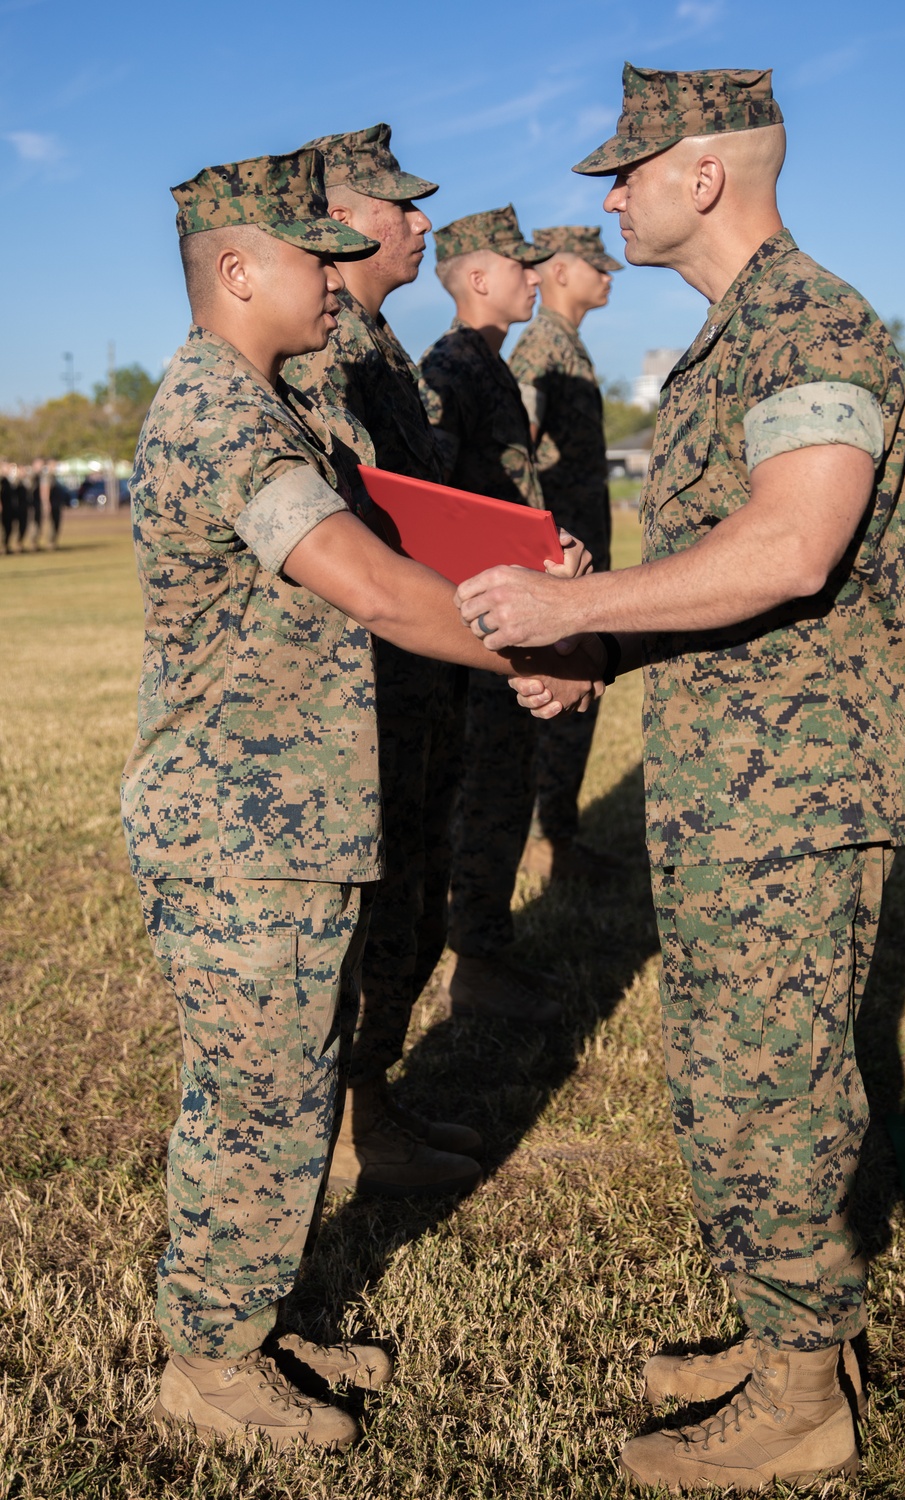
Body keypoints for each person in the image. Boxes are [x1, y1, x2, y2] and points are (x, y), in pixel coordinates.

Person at [454, 64, 905, 1492]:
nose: (606, 201)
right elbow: (734, 592)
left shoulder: (808, 325)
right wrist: (600, 640)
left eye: (628, 172)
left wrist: (569, 618)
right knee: (739, 1086)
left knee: (765, 1093)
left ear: (703, 175)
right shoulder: (739, 339)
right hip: (741, 782)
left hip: (793, 796)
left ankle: (801, 1405)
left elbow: (792, 552)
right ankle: (792, 1336)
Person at [123, 147, 601, 1451]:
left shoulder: (263, 403)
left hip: (282, 817)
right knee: (258, 1106)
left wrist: (519, 579)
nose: (337, 275)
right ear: (235, 270)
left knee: (288, 1090)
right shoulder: (224, 416)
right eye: (308, 255)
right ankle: (209, 1365)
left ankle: (249, 1323)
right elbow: (378, 589)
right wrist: (548, 639)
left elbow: (401, 541)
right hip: (238, 829)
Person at [283, 122, 481, 1199]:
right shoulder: (321, 357)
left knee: (414, 892)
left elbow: (426, 516)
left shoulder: (384, 350)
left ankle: (377, 1103)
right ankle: (355, 1118)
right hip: (364, 684)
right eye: (396, 206)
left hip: (420, 673)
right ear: (335, 218)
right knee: (372, 904)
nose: (420, 223)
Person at [420, 206, 569, 1025]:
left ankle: (485, 954)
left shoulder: (488, 364)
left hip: (507, 607)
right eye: (520, 266)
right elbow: (431, 501)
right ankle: (475, 961)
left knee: (505, 783)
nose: (533, 277)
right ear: (479, 278)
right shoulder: (452, 367)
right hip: (477, 620)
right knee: (487, 787)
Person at [509, 225, 623, 882]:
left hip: (577, 566)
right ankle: (542, 845)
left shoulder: (566, 346)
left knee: (580, 706)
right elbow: (517, 449)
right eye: (595, 265)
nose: (609, 275)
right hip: (557, 569)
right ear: (557, 271)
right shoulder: (542, 350)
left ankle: (559, 838)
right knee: (557, 709)